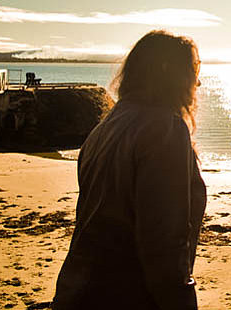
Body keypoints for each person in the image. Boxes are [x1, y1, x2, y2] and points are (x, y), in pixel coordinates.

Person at [53, 30, 207, 310]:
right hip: (126, 295)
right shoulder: (164, 131)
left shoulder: (103, 129)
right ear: (170, 72)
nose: (197, 82)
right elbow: (163, 242)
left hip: (76, 291)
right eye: (193, 70)